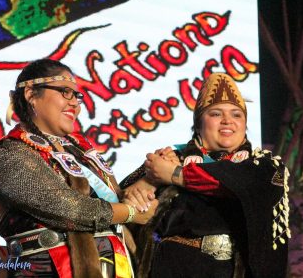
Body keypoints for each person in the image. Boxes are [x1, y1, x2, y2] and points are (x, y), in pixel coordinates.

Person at [0, 59, 158, 278]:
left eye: (77, 96)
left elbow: (110, 198)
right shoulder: (12, 153)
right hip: (49, 269)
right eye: (65, 92)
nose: (75, 103)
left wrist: (150, 174)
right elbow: (70, 209)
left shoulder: (78, 148)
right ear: (30, 94)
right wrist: (131, 213)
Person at [121, 73, 290, 277]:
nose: (228, 120)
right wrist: (147, 182)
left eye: (237, 114)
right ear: (199, 123)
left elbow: (230, 183)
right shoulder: (168, 159)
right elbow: (120, 198)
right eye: (216, 114)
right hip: (169, 269)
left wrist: (174, 175)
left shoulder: (263, 166)